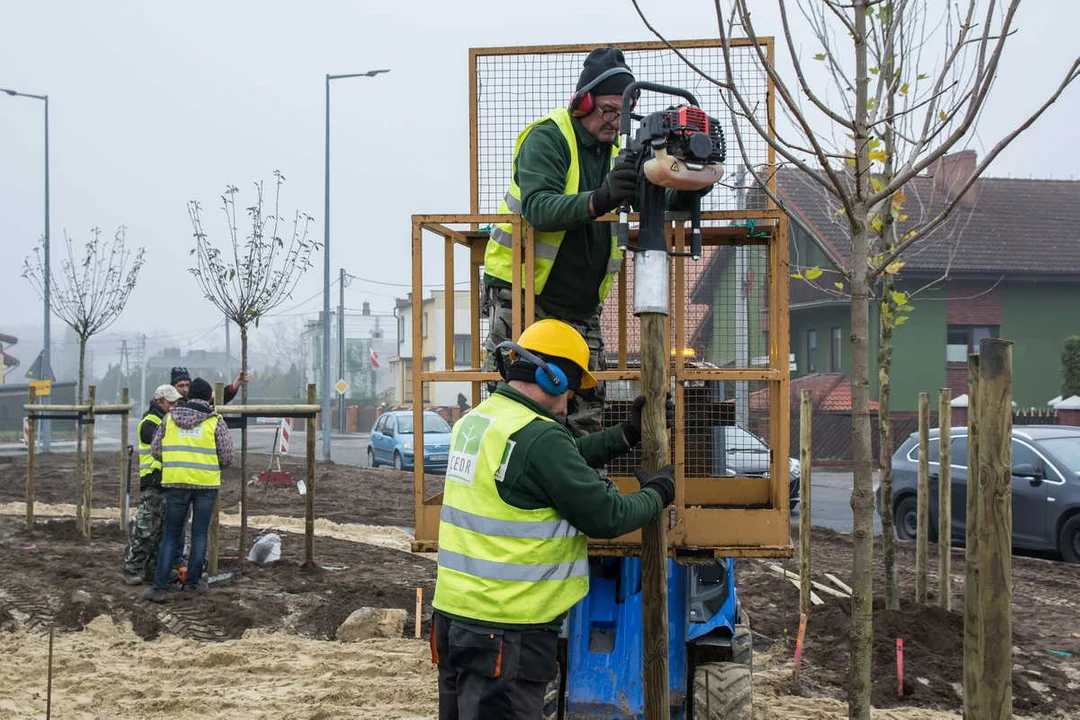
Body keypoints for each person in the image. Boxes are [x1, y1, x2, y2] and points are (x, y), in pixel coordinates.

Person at [431, 319, 675, 720]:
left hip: (457, 621)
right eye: (570, 393)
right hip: (508, 631)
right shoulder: (539, 438)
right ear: (553, 377)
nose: (567, 406)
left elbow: (558, 461)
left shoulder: (479, 421)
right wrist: (659, 494)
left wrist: (628, 434)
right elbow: (607, 515)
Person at [482, 47, 640, 438]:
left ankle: (580, 493)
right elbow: (538, 207)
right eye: (607, 110)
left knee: (584, 413)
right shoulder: (549, 138)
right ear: (582, 101)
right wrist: (600, 198)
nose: (615, 121)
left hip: (581, 311)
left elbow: (658, 199)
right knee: (514, 411)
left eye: (623, 113)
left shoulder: (620, 150)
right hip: (523, 300)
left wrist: (684, 184)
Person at [142, 377, 234, 603]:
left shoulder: (169, 419)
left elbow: (156, 450)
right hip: (205, 484)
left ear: (188, 394)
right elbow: (227, 456)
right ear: (208, 396)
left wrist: (176, 460)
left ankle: (159, 587)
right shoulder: (215, 421)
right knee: (199, 534)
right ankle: (191, 585)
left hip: (176, 483)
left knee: (171, 535)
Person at [120, 384, 182, 585]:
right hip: (153, 481)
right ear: (160, 401)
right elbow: (164, 444)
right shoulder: (150, 422)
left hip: (166, 480)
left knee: (161, 531)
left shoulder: (166, 419)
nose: (174, 406)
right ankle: (132, 568)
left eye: (175, 403)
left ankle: (153, 569)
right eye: (170, 403)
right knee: (146, 529)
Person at [171, 366, 250, 404]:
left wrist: (236, 383)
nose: (185, 389)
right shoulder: (168, 404)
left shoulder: (199, 401)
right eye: (181, 386)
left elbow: (220, 397)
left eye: (187, 385)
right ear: (173, 387)